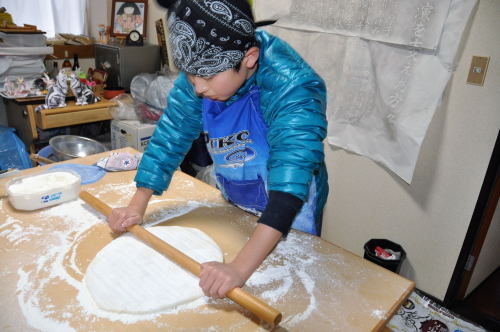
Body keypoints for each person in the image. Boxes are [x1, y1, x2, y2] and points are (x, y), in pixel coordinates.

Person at [108, 0, 328, 299]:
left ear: (249, 58)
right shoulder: (200, 75)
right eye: (190, 75)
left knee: (288, 291)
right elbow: (170, 137)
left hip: (289, 208)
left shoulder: (292, 85)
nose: (198, 87)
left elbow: (291, 175)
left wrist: (238, 269)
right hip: (238, 198)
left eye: (207, 78)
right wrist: (137, 204)